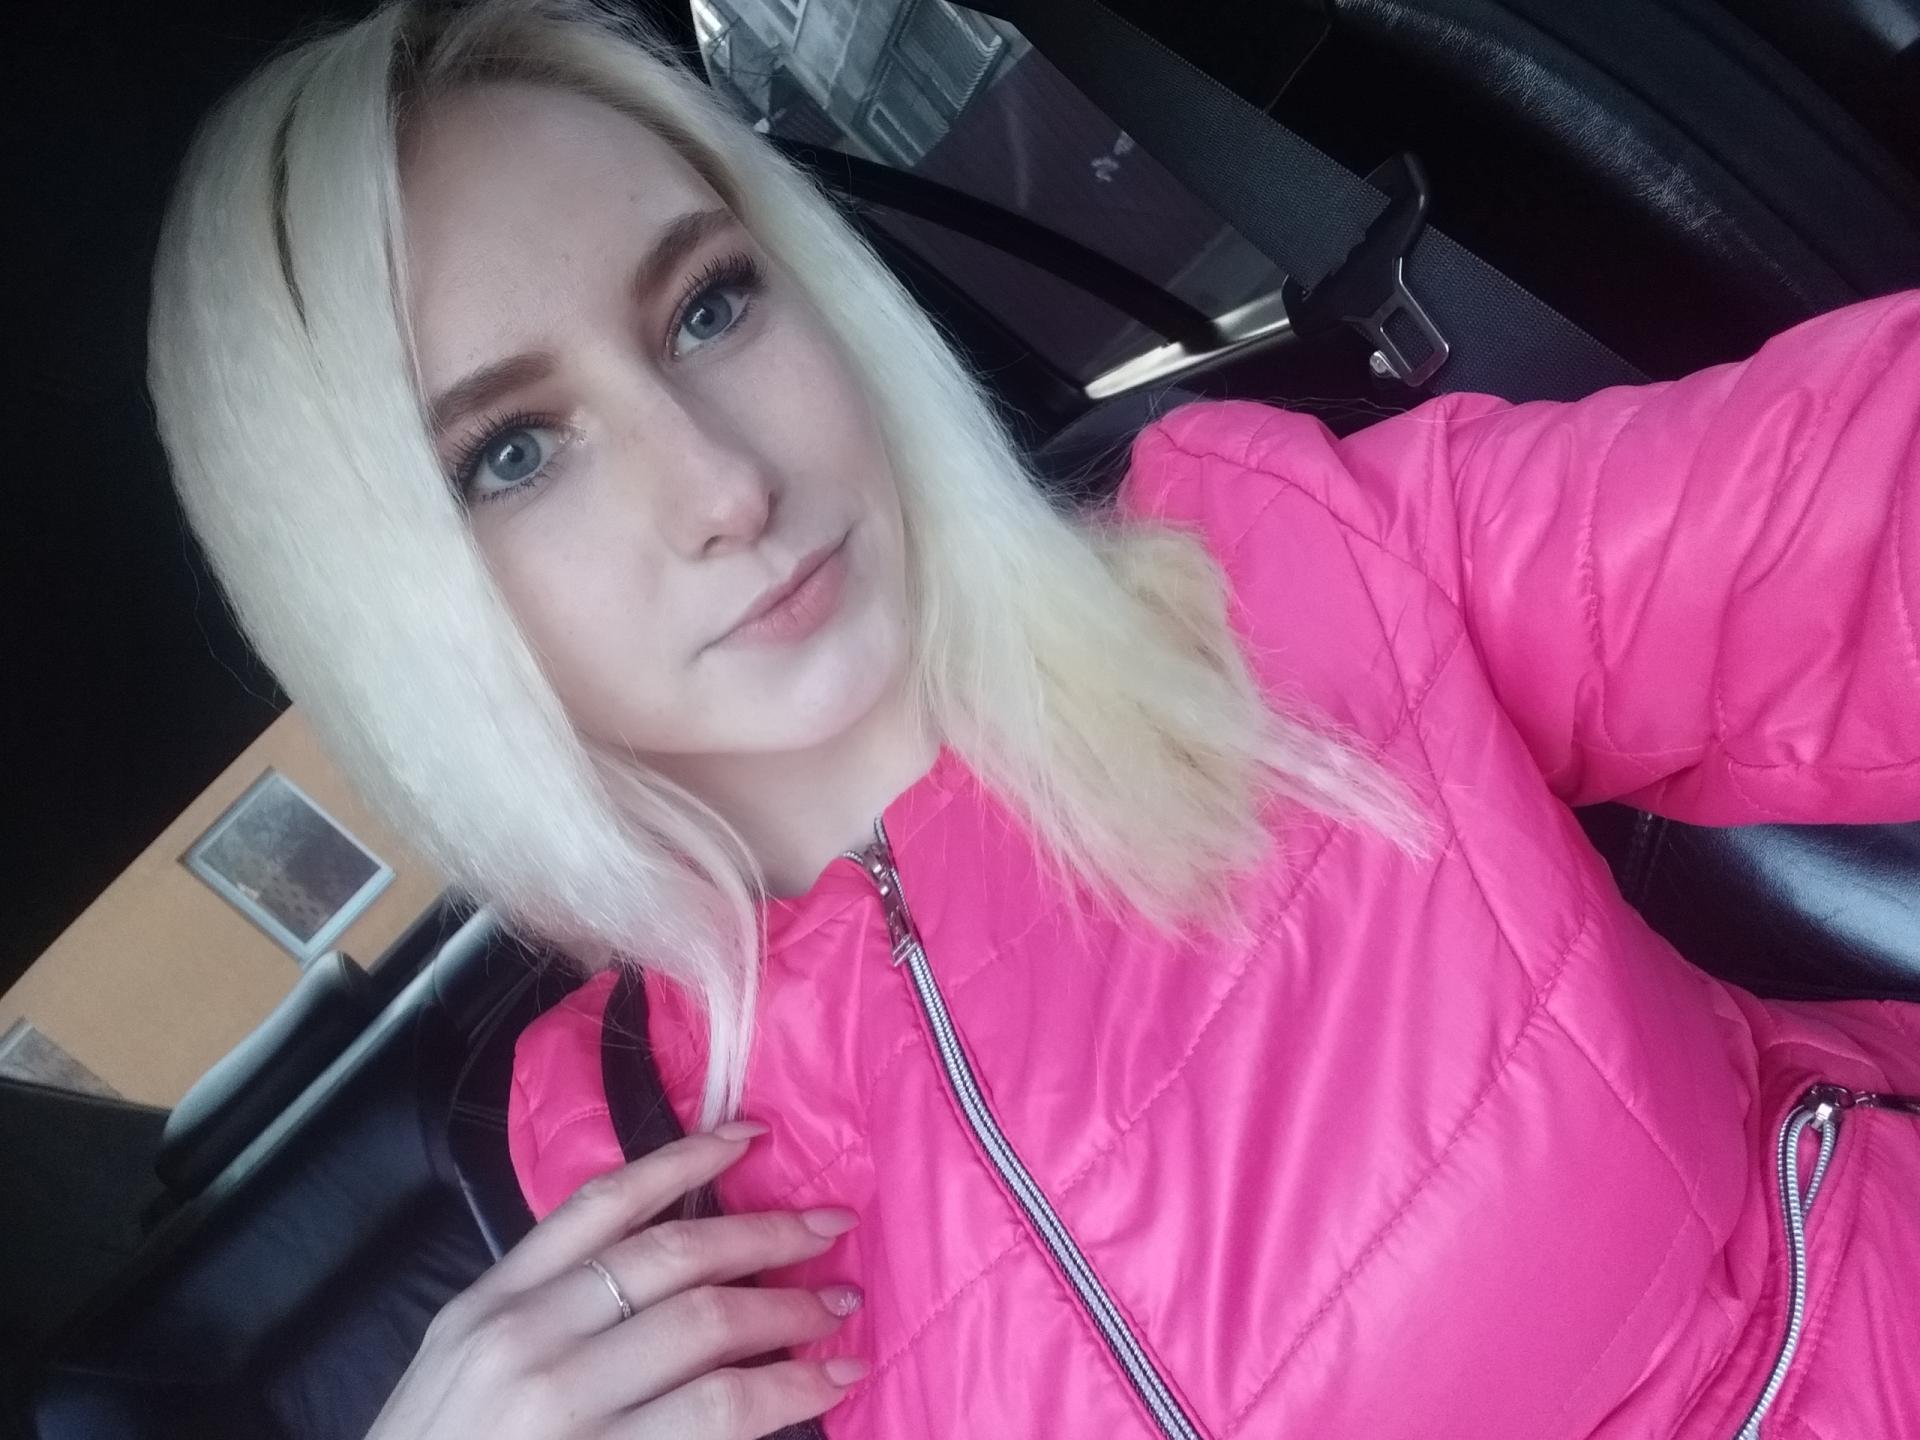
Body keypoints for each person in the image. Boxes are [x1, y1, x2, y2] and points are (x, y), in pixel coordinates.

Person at [145, 0, 1920, 1436]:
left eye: (709, 305)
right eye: (513, 454)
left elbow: (1845, 512)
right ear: (394, 615)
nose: (721, 486)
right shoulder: (611, 1151)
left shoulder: (1282, 562)